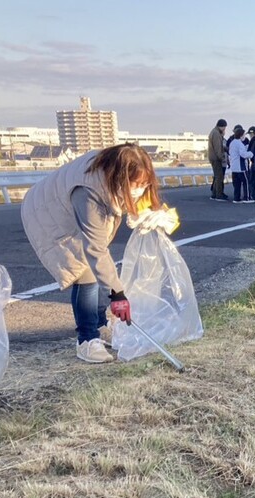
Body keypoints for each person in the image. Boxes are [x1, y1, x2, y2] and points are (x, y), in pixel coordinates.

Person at [21, 144, 175, 364]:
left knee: (97, 269)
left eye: (145, 184)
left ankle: (101, 325)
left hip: (66, 206)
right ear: (120, 177)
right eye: (136, 184)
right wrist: (117, 295)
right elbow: (96, 249)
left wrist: (153, 214)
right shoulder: (89, 192)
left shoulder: (112, 173)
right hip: (48, 215)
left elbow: (140, 202)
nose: (140, 189)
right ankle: (86, 339)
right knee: (85, 274)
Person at [227, 125, 254, 203]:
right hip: (241, 167)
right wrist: (251, 154)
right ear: (241, 135)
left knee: (237, 184)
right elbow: (243, 154)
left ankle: (236, 198)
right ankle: (247, 198)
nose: (244, 136)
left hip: (234, 167)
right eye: (244, 135)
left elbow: (230, 153)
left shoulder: (232, 143)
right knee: (246, 182)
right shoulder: (240, 144)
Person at [206, 118, 228, 201]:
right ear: (221, 126)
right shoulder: (216, 134)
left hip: (213, 157)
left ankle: (215, 193)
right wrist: (221, 157)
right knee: (219, 176)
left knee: (216, 176)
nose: (224, 129)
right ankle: (219, 194)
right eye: (224, 127)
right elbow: (218, 147)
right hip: (216, 158)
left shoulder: (214, 132)